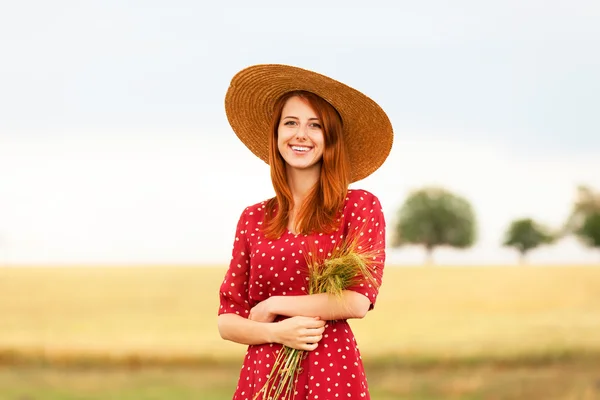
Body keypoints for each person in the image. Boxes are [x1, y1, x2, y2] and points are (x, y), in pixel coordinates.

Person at [217, 64, 393, 400]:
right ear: (276, 135)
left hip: (329, 369)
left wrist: (275, 304)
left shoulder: (358, 206)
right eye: (291, 123)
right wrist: (278, 332)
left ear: (330, 139)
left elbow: (356, 301)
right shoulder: (253, 218)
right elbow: (227, 321)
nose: (301, 134)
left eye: (315, 125)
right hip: (265, 375)